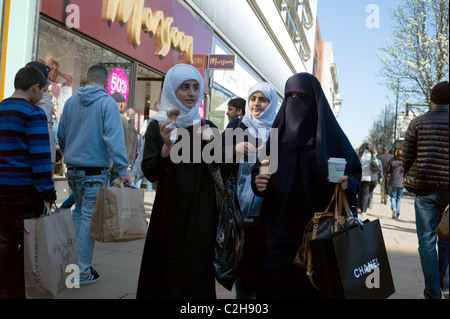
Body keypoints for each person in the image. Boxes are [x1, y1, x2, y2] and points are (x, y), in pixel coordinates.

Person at [251, 72, 361, 299]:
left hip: (320, 233)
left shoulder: (332, 139)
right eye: (290, 96)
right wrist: (258, 183)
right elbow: (259, 170)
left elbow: (355, 175)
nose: (295, 102)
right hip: (278, 229)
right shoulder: (277, 137)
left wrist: (348, 182)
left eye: (301, 96)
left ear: (315, 101)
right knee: (273, 284)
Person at [136, 63, 219, 298]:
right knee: (166, 271)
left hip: (201, 214)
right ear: (172, 90)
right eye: (184, 87)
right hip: (168, 213)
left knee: (195, 273)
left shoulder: (208, 127)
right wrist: (166, 148)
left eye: (195, 87)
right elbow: (150, 172)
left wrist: (212, 143)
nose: (192, 93)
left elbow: (222, 170)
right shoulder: (159, 126)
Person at [57, 64, 129, 285]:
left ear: (87, 79)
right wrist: (123, 169)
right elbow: (114, 139)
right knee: (87, 217)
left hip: (74, 171)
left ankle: (73, 268)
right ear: (106, 82)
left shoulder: (70, 103)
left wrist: (72, 150)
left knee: (79, 214)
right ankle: (81, 272)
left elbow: (61, 135)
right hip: (95, 172)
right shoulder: (107, 103)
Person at [0, 66, 57, 298]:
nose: (43, 95)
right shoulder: (33, 114)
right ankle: (15, 291)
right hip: (23, 191)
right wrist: (48, 192)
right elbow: (41, 158)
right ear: (35, 87)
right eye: (44, 90)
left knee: (3, 241)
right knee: (24, 245)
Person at [222, 82, 278, 299]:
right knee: (243, 276)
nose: (257, 104)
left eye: (263, 99)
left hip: (267, 214)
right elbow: (216, 160)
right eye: (253, 98)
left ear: (271, 103)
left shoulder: (279, 129)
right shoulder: (238, 125)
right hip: (238, 212)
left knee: (262, 273)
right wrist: (233, 150)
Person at [403, 81, 449, 299]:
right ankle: (446, 284)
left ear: (432, 99)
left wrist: (410, 177)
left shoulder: (418, 122)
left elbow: (407, 156)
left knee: (427, 240)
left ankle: (432, 292)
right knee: (446, 236)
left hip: (425, 190)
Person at [26, 61, 57, 172]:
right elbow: (45, 127)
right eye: (47, 79)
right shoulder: (43, 98)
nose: (49, 82)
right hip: (41, 157)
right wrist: (50, 158)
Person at [109, 92, 129, 183]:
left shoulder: (105, 116)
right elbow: (122, 142)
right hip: (116, 167)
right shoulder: (122, 119)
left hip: (104, 165)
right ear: (121, 104)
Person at [387, 148, 404, 220]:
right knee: (399, 198)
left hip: (393, 181)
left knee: (393, 196)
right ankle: (397, 213)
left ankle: (394, 208)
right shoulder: (404, 162)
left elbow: (388, 170)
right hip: (402, 182)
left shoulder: (392, 161)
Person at [357, 143, 374, 216]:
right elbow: (376, 163)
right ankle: (364, 210)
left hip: (360, 176)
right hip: (368, 177)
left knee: (359, 193)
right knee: (365, 194)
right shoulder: (371, 155)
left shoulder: (359, 154)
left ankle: (358, 207)